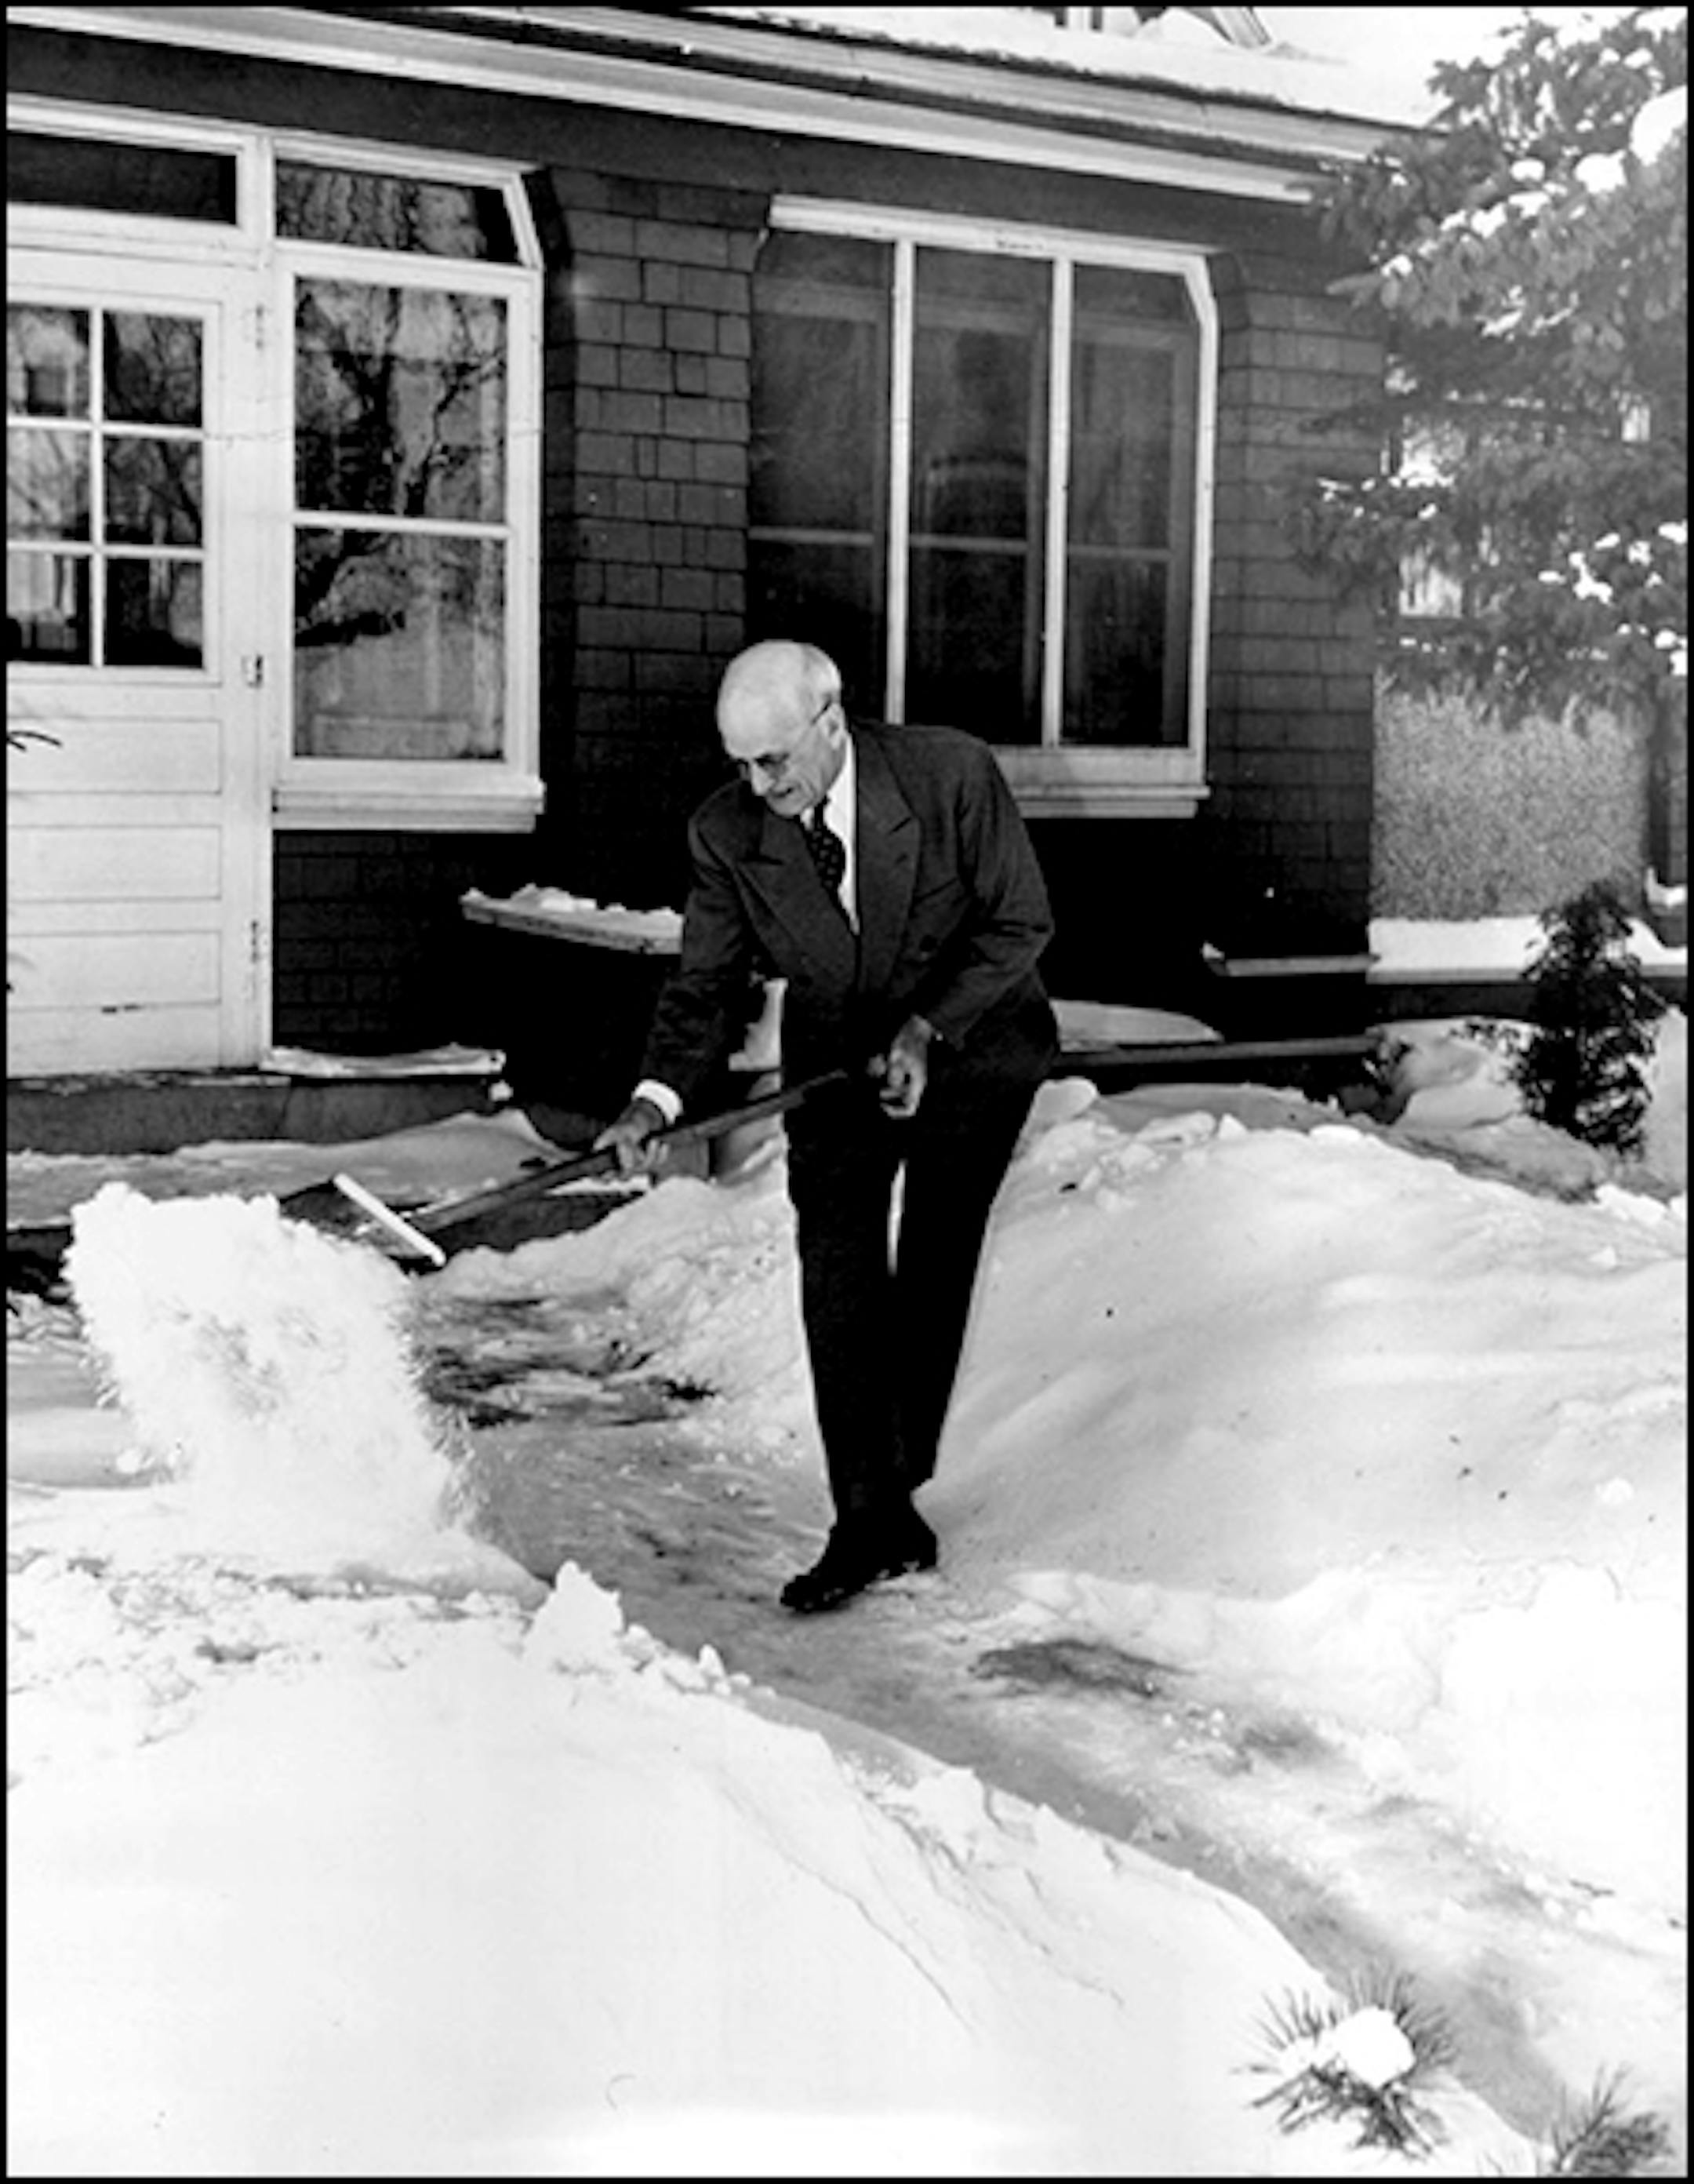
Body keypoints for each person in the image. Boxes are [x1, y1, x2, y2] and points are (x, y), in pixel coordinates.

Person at [596, 639, 1057, 1612]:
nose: (759, 785)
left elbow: (1019, 923)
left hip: (974, 1040)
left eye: (774, 761)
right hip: (839, 1054)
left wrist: (928, 1032)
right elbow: (706, 984)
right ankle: (869, 1520)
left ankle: (895, 1490)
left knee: (931, 1253)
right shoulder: (726, 832)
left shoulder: (948, 773)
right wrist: (656, 1101)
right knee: (838, 1269)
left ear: (832, 722)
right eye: (742, 765)